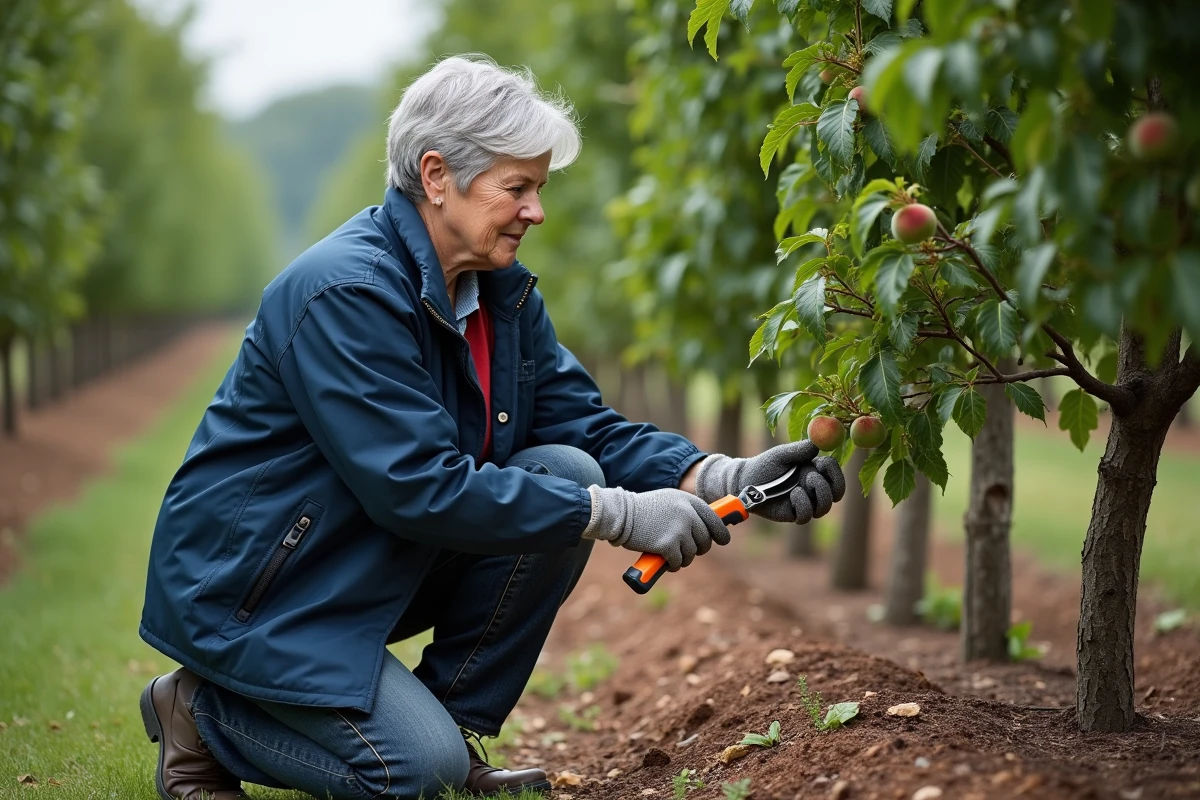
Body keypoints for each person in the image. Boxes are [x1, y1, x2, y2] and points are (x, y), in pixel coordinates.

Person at [137, 55, 845, 800]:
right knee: (409, 773)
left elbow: (585, 427)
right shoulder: (345, 292)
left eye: (539, 187)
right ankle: (200, 709)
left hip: (352, 563)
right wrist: (620, 515)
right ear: (437, 175)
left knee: (569, 473)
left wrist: (721, 475)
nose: (537, 210)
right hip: (265, 593)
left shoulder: (495, 292)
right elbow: (415, 486)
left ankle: (446, 723)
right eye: (519, 187)